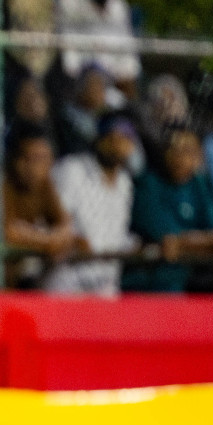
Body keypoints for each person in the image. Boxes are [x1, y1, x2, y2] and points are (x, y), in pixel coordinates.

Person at [44, 112, 139, 298]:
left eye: (124, 139)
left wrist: (137, 246)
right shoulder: (72, 169)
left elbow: (115, 236)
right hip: (67, 281)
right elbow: (48, 221)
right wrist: (73, 239)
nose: (117, 144)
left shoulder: (125, 183)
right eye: (111, 137)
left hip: (105, 285)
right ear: (98, 139)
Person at [126, 125, 213, 292]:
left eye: (188, 151)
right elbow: (168, 239)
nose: (181, 158)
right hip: (152, 283)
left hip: (194, 279)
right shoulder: (148, 184)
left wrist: (184, 243)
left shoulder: (199, 184)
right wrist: (206, 243)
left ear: (198, 156)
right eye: (174, 150)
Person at [1, 124, 82, 287]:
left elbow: (65, 226)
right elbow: (7, 232)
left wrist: (47, 239)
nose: (33, 167)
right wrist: (48, 241)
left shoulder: (45, 185)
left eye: (41, 159)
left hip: (29, 277)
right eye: (27, 158)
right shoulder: (3, 184)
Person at [55, 0, 140, 99]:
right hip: (79, 88)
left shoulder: (119, 6)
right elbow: (70, 62)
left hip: (115, 86)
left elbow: (128, 61)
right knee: (93, 83)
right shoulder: (69, 1)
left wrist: (123, 77)